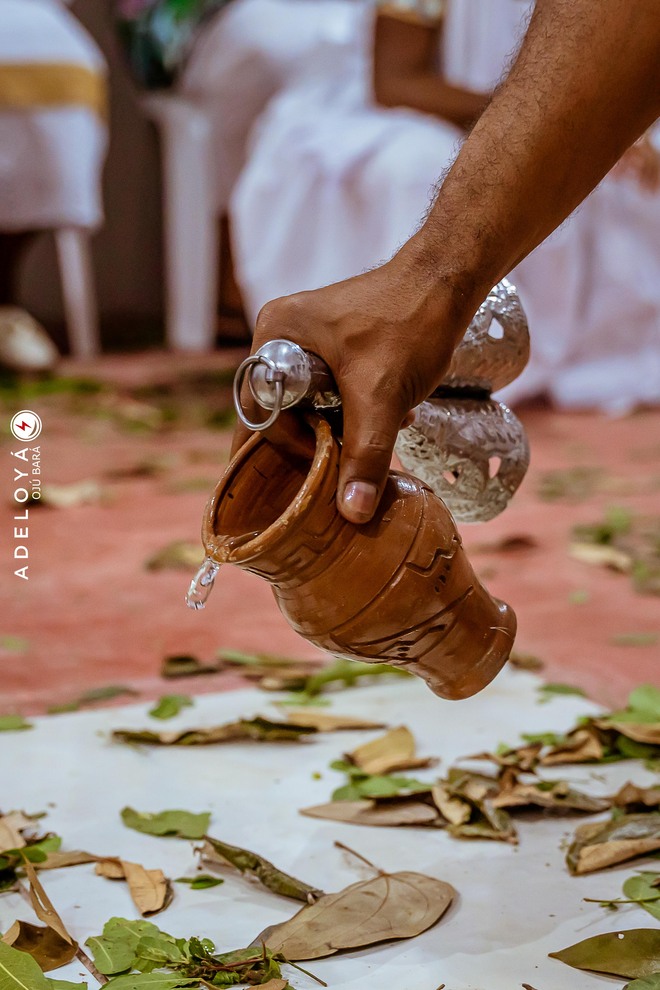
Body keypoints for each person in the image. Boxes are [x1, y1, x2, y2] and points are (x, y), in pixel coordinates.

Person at [232, 0, 660, 526]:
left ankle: (515, 355)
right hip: (443, 117)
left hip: (564, 101)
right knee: (417, 167)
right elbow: (395, 81)